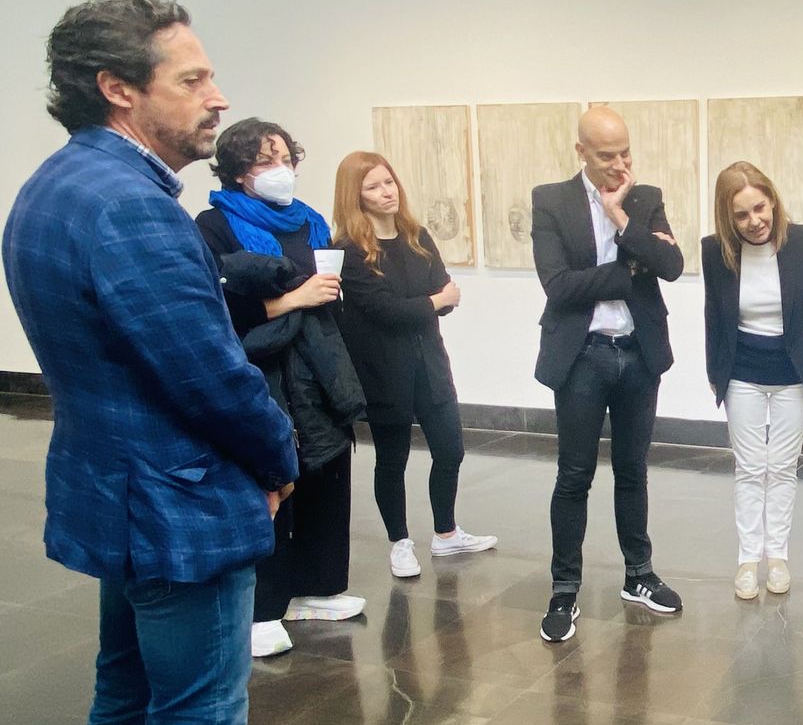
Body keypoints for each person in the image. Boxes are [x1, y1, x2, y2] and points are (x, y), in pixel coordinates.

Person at [1, 0, 351, 725]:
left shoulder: (53, 187)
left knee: (124, 695)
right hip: (178, 502)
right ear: (119, 88)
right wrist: (281, 459)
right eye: (192, 78)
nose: (217, 97)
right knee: (196, 723)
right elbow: (208, 374)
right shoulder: (132, 209)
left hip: (114, 489)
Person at [195, 120, 367, 658]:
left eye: (286, 158)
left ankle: (315, 587)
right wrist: (294, 300)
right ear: (237, 171)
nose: (281, 170)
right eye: (265, 161)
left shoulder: (309, 220)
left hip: (317, 368)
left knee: (326, 471)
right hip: (261, 368)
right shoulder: (213, 225)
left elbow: (328, 293)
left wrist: (328, 294)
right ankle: (261, 607)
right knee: (272, 482)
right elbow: (217, 304)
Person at [530, 105, 684, 643]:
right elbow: (557, 286)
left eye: (625, 153)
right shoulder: (550, 200)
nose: (620, 164)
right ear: (581, 152)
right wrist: (628, 269)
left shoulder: (645, 198)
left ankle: (639, 574)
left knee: (633, 470)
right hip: (582, 356)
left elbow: (672, 267)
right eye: (606, 156)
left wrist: (621, 218)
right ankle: (564, 588)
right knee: (574, 475)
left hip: (639, 353)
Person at [331, 151, 496, 576]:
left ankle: (446, 533)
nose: (386, 192)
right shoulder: (349, 250)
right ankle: (399, 541)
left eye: (389, 182)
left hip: (430, 363)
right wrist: (434, 301)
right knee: (392, 459)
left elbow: (445, 294)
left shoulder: (416, 236)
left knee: (450, 449)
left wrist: (432, 301)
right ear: (355, 196)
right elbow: (387, 311)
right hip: (383, 371)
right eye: (373, 187)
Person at [702, 161, 803, 600]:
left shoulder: (801, 241)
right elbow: (713, 315)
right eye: (741, 215)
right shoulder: (715, 251)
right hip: (741, 371)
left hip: (791, 372)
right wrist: (713, 371)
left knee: (781, 467)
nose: (754, 221)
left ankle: (777, 556)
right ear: (727, 217)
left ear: (773, 202)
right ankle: (748, 560)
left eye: (760, 208)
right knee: (749, 467)